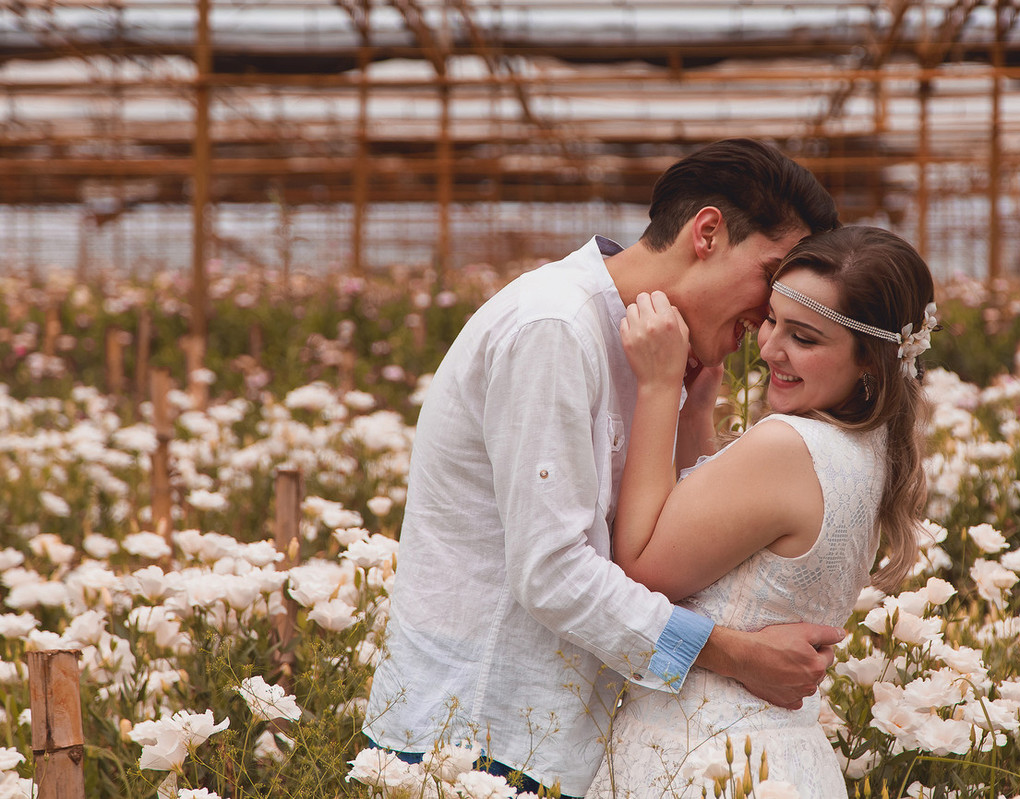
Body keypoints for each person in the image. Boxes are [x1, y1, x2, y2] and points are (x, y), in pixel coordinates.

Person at [363, 138, 845, 797]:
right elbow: (552, 572)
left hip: (555, 742)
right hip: (473, 739)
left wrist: (691, 406)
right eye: (771, 274)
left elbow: (670, 551)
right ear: (707, 232)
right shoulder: (555, 326)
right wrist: (736, 655)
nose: (771, 315)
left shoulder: (655, 350)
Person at [586, 225, 936, 799]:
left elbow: (642, 568)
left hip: (706, 761)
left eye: (804, 337)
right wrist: (696, 413)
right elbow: (721, 536)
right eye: (771, 320)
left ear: (870, 361)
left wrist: (658, 386)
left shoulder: (788, 446)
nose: (770, 347)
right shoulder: (869, 450)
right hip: (782, 757)